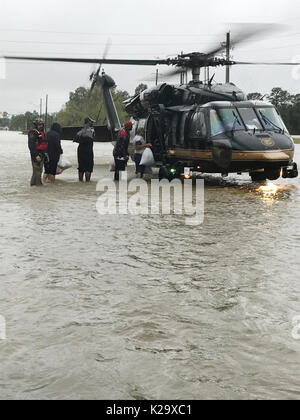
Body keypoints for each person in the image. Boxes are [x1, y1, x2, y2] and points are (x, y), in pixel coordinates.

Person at [74, 117, 95, 182]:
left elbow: (75, 139)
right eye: (92, 122)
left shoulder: (80, 131)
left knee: (81, 167)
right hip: (88, 150)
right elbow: (93, 136)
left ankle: (80, 182)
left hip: (80, 151)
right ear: (89, 122)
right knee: (88, 168)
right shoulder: (92, 130)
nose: (92, 123)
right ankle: (87, 183)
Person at [28, 118, 48, 186]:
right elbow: (31, 145)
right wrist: (36, 155)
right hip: (36, 154)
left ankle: (34, 185)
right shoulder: (33, 133)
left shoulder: (42, 132)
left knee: (39, 171)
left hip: (42, 153)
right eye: (39, 125)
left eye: (42, 124)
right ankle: (38, 185)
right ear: (36, 125)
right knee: (37, 171)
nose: (41, 126)